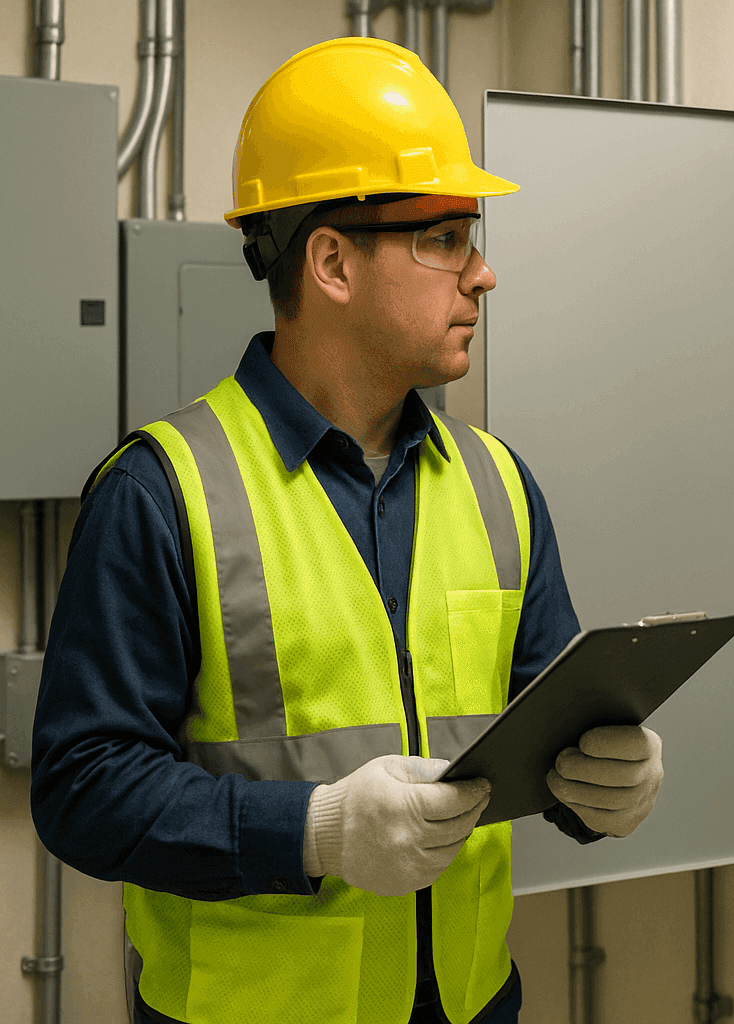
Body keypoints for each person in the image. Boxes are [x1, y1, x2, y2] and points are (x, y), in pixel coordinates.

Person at [29, 37, 663, 1024]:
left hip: (471, 1006)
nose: (483, 273)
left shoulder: (499, 484)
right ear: (330, 261)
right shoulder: (162, 490)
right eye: (446, 237)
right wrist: (315, 831)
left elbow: (538, 732)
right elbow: (84, 792)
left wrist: (601, 784)